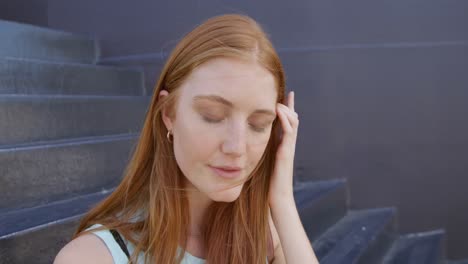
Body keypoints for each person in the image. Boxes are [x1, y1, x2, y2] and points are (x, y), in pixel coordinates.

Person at [54, 13, 319, 264]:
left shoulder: (262, 235)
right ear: (169, 113)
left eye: (258, 124)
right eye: (213, 116)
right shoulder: (93, 256)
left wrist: (282, 199)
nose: (236, 147)